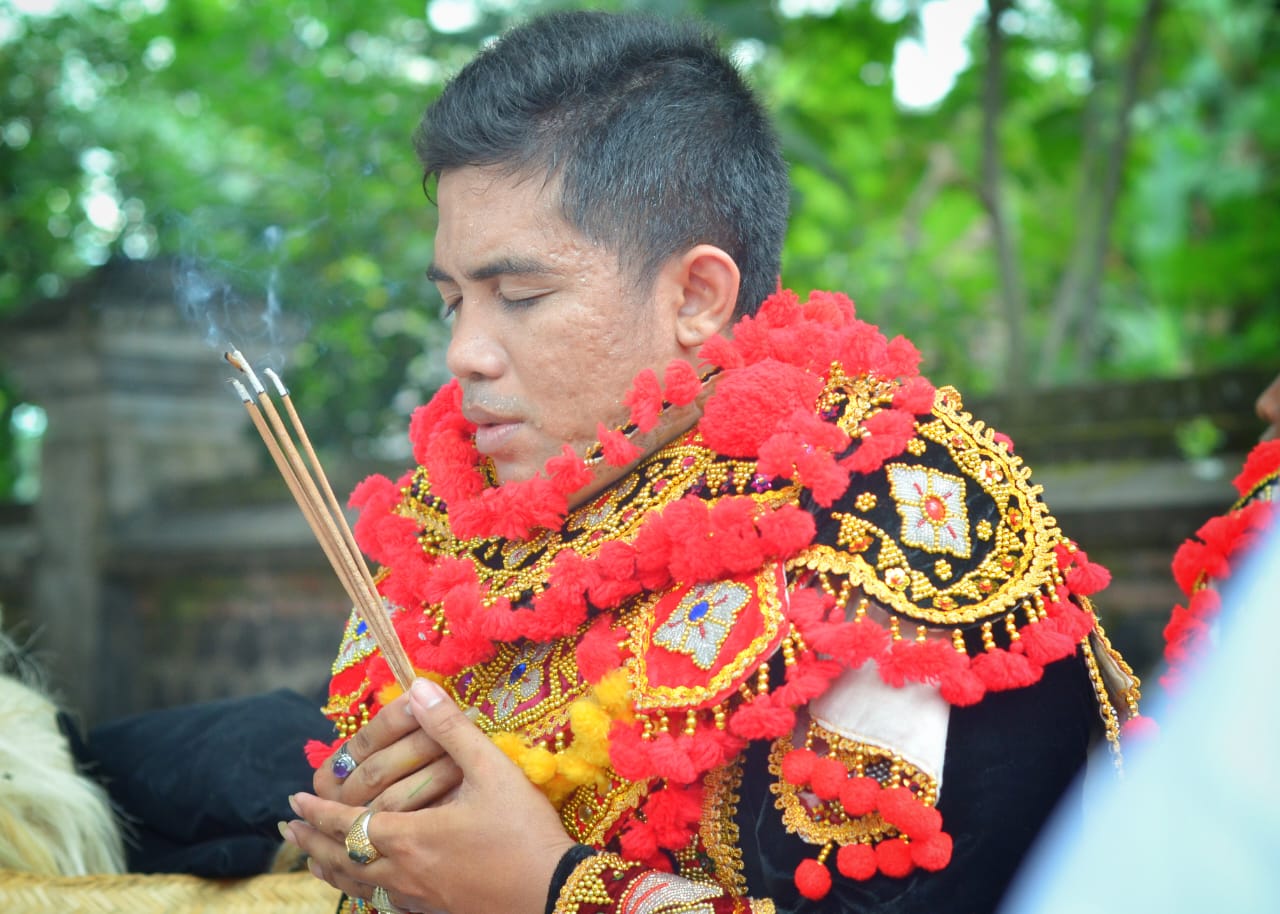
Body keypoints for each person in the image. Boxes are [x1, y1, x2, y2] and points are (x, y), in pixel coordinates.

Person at [278, 12, 1143, 914]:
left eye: (520, 296)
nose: (465, 354)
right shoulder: (454, 528)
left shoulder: (887, 530)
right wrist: (374, 846)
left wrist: (553, 890)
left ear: (697, 294)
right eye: (454, 300)